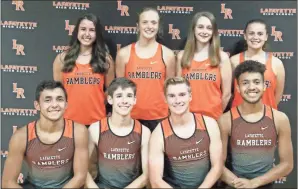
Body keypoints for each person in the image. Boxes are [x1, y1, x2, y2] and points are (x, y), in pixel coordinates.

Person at [218, 61, 293, 188]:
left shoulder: (279, 119)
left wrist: (255, 182)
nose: (251, 87)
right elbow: (217, 165)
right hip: (235, 184)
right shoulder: (225, 120)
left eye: (257, 82)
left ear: (264, 86)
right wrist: (241, 184)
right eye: (245, 83)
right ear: (238, 88)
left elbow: (287, 164)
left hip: (265, 184)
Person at [2, 80, 89, 188]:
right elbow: (8, 183)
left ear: (66, 104)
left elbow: (80, 177)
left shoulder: (78, 131)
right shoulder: (21, 137)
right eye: (47, 100)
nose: (54, 105)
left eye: (59, 99)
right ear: (37, 105)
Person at [149, 77, 223, 188]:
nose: (177, 100)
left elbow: (217, 167)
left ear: (190, 96)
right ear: (165, 99)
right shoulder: (158, 134)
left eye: (182, 95)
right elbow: (156, 181)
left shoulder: (209, 124)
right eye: (172, 96)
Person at [116, 7, 176, 132]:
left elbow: (170, 89)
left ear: (158, 26)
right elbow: (118, 89)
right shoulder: (124, 54)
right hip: (130, 117)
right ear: (138, 26)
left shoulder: (167, 54)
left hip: (159, 117)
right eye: (145, 22)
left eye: (153, 23)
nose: (149, 26)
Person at [85, 77, 151, 188]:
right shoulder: (95, 129)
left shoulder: (144, 132)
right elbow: (84, 170)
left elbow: (146, 175)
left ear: (135, 100)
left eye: (129, 96)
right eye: (119, 96)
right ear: (110, 100)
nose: (124, 101)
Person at [53, 13, 115, 127]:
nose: (87, 34)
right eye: (83, 29)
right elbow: (58, 92)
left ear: (97, 34)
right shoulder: (62, 59)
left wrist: (98, 101)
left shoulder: (106, 60)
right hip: (69, 123)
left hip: (97, 123)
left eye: (92, 30)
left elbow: (111, 90)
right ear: (77, 32)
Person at [176, 11, 232, 120]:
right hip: (186, 116)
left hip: (213, 118)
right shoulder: (182, 56)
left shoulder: (222, 57)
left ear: (214, 32)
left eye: (209, 28)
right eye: (200, 27)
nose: (204, 31)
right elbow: (176, 89)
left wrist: (216, 114)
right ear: (194, 29)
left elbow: (227, 94)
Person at [230, 19, 285, 109]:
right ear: (245, 36)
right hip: (238, 118)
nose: (255, 37)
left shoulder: (276, 63)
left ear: (266, 37)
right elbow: (228, 92)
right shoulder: (233, 61)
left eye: (260, 34)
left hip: (267, 118)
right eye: (251, 33)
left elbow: (277, 95)